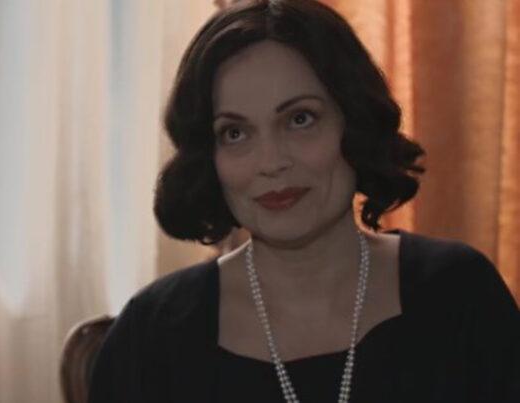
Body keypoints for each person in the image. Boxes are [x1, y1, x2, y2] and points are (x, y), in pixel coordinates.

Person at [88, 1, 520, 402]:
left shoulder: (458, 293)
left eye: (300, 119)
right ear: (209, 158)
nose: (271, 162)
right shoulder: (152, 335)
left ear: (354, 124)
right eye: (235, 133)